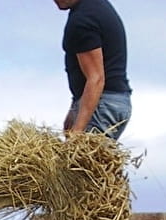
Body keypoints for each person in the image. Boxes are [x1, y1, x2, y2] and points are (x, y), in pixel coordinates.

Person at [52, 0, 132, 141]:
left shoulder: (82, 20)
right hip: (114, 101)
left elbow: (96, 79)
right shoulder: (95, 6)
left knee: (77, 161)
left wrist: (77, 132)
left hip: (102, 104)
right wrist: (74, 108)